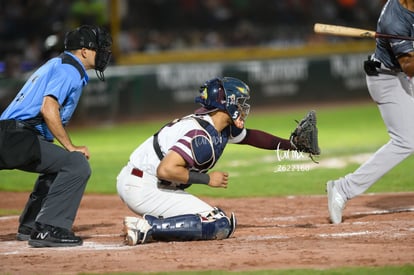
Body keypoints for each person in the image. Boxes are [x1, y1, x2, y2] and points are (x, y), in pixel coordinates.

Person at [117, 76, 320, 245]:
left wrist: (291, 145)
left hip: (144, 181)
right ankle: (146, 227)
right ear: (228, 104)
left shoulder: (217, 127)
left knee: (216, 220)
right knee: (219, 222)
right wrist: (207, 179)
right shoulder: (201, 135)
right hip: (144, 186)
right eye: (240, 102)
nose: (243, 107)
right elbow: (166, 170)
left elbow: (252, 137)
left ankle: (150, 225)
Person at [0, 25, 112, 247]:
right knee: (76, 164)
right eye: (99, 48)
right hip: (18, 136)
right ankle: (49, 228)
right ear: (84, 51)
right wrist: (71, 146)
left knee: (57, 165)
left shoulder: (58, 64)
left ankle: (31, 225)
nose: (104, 53)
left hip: (12, 134)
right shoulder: (70, 70)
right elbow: (48, 108)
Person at [327, 0, 414, 224]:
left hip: (401, 76)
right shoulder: (394, 20)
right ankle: (343, 188)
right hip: (389, 78)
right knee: (406, 141)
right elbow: (409, 66)